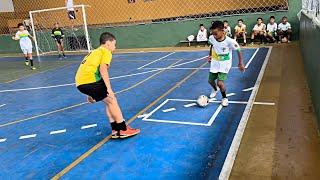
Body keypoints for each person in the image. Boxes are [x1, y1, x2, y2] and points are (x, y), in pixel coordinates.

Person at [75, 32, 140, 139]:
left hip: (80, 83)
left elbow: (86, 70)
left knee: (108, 102)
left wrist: (90, 92)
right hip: (90, 81)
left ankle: (115, 130)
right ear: (108, 43)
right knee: (112, 100)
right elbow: (103, 69)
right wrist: (109, 89)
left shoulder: (94, 52)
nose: (115, 47)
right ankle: (123, 129)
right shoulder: (106, 52)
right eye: (114, 44)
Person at [208, 21, 245, 107]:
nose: (214, 35)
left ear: (222, 30)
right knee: (210, 81)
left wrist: (241, 63)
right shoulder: (212, 38)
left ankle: (224, 98)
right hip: (215, 62)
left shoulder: (230, 41)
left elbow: (238, 49)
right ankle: (215, 89)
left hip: (225, 63)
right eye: (212, 33)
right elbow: (212, 45)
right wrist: (210, 55)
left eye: (216, 33)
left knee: (220, 83)